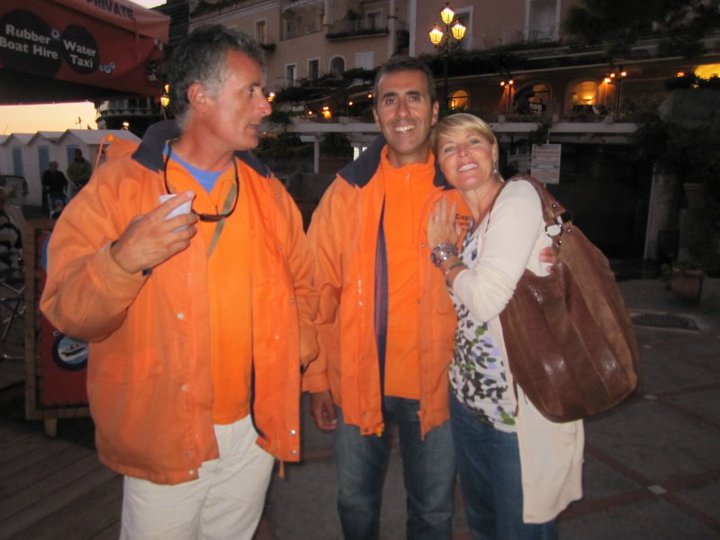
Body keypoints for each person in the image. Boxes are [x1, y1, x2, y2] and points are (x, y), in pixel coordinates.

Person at [40, 25, 317, 540]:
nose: (264, 106)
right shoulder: (118, 187)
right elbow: (66, 310)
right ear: (200, 97)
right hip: (165, 429)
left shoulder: (268, 194)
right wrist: (121, 261)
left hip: (254, 427)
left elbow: (305, 285)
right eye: (251, 91)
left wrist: (296, 350)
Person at [304, 56, 462, 540]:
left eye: (414, 97)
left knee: (434, 512)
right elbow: (316, 289)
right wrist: (317, 378)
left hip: (437, 383)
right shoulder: (347, 191)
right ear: (376, 114)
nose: (401, 111)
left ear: (434, 111)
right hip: (357, 380)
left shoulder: (464, 189)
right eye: (389, 100)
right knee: (354, 503)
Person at [426, 113, 584, 540]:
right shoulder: (473, 223)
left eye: (473, 142)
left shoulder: (516, 199)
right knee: (484, 525)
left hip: (518, 412)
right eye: (449, 148)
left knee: (522, 530)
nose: (463, 155)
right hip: (470, 404)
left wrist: (443, 253)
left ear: (494, 152)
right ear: (441, 164)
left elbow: (485, 299)